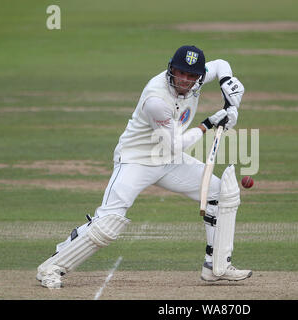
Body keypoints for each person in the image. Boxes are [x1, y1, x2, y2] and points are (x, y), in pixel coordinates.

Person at [36, 45, 252, 288]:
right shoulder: (156, 99)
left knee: (221, 193)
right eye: (180, 73)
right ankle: (51, 268)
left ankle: (217, 267)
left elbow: (221, 63)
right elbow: (176, 146)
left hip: (167, 161)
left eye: (192, 76)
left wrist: (228, 86)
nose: (185, 81)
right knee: (108, 224)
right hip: (136, 159)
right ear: (171, 69)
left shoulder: (196, 81)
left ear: (199, 77)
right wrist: (209, 123)